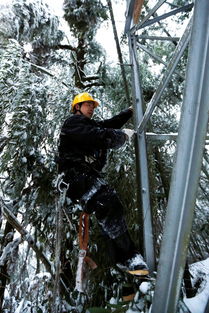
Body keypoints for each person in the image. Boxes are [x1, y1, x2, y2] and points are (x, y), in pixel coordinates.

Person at [57, 92, 149, 276]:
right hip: (75, 177)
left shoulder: (90, 124)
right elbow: (97, 136)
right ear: (77, 107)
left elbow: (108, 124)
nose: (91, 108)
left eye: (93, 105)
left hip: (84, 177)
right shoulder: (73, 122)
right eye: (87, 104)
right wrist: (121, 136)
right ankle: (129, 257)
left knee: (108, 209)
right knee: (108, 201)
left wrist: (129, 112)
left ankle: (123, 260)